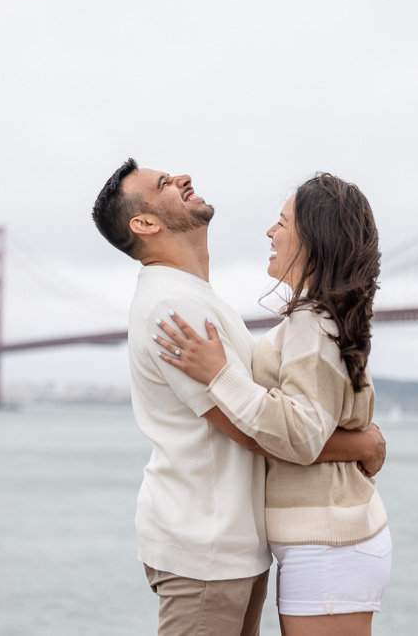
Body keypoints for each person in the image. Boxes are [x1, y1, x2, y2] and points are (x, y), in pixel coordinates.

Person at [91, 159, 386, 636]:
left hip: (228, 544)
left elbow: (269, 407)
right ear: (145, 224)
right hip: (206, 545)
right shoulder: (174, 308)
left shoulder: (198, 297)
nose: (183, 177)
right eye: (164, 184)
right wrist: (361, 446)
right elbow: (249, 430)